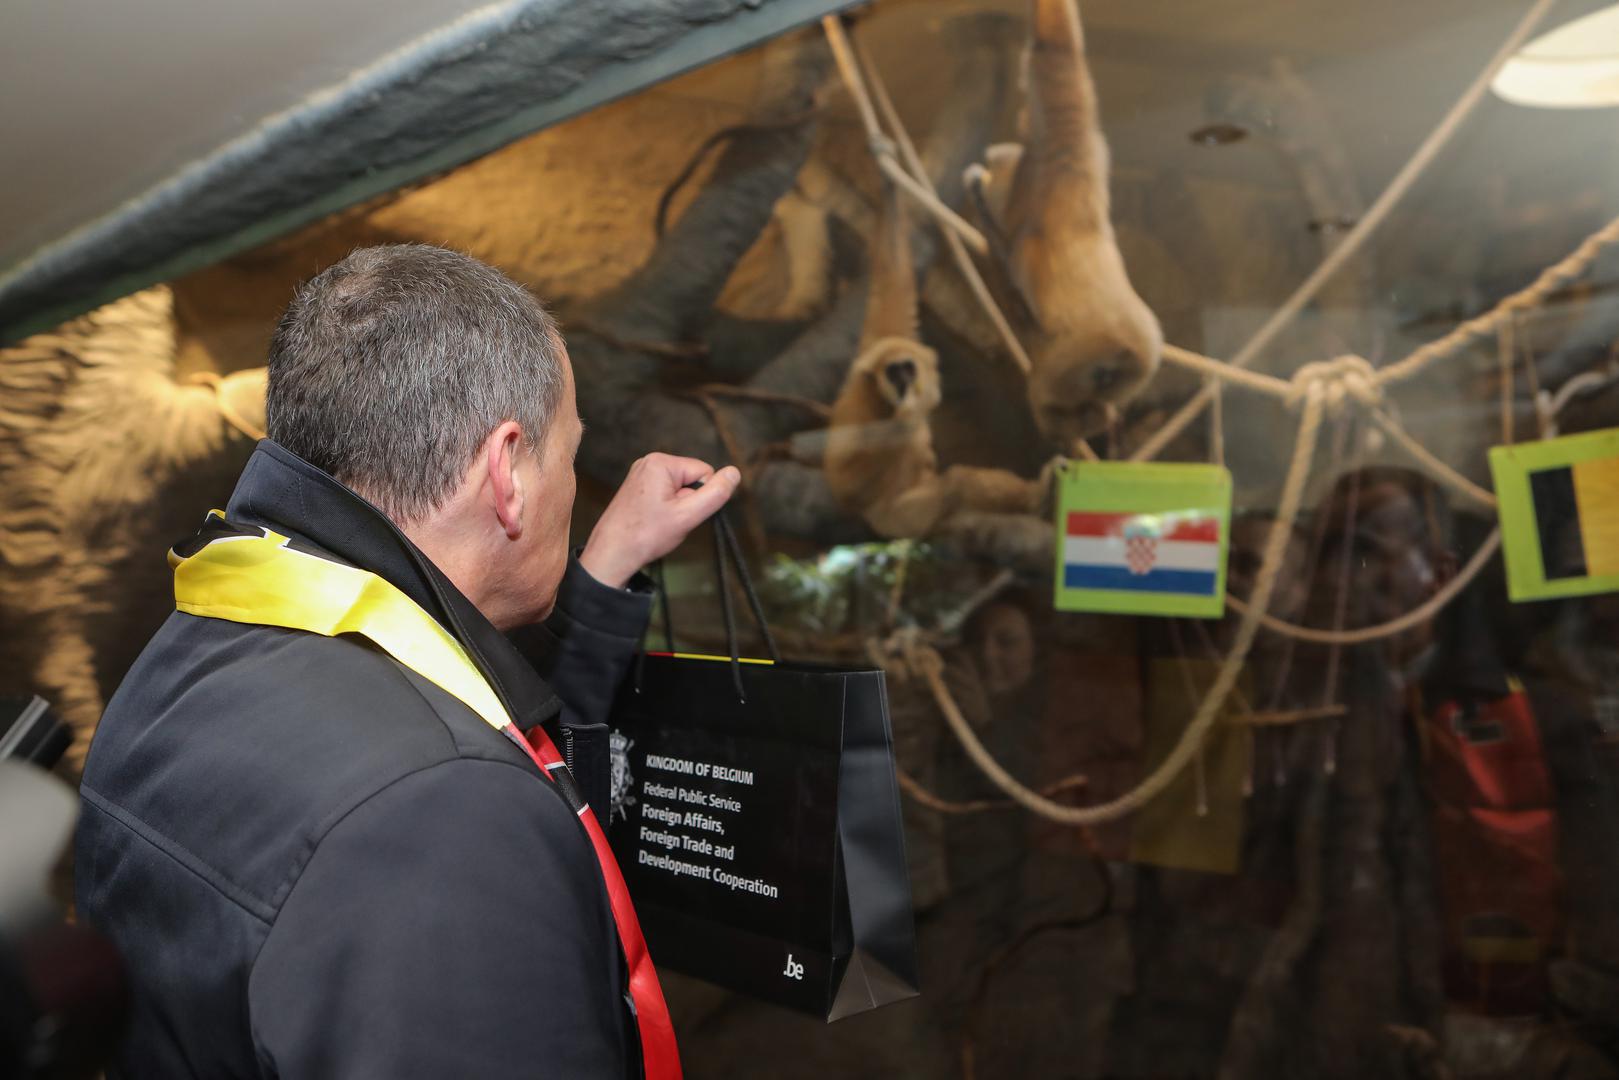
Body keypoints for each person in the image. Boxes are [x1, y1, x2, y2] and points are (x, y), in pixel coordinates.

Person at [73, 245, 740, 1078]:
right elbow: (448, 776)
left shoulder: (193, 656)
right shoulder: (449, 815)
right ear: (507, 472)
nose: (572, 486)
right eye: (569, 458)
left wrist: (599, 576)